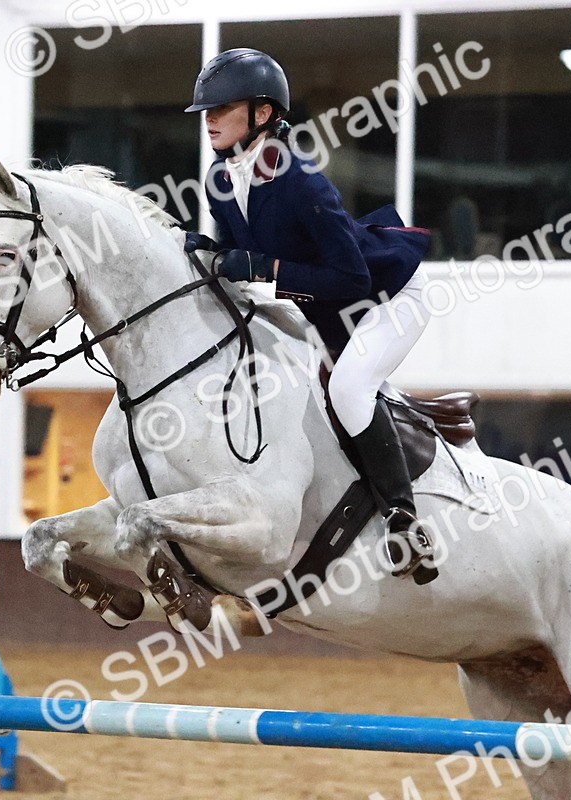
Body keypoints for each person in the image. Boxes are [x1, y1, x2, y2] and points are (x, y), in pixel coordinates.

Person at [183, 48, 437, 583]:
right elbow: (235, 254)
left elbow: (352, 280)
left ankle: (402, 518)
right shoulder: (219, 179)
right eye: (205, 110)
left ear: (262, 114)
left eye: (221, 108)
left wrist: (265, 267)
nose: (208, 120)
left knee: (347, 390)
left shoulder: (300, 180)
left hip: (389, 295)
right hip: (325, 308)